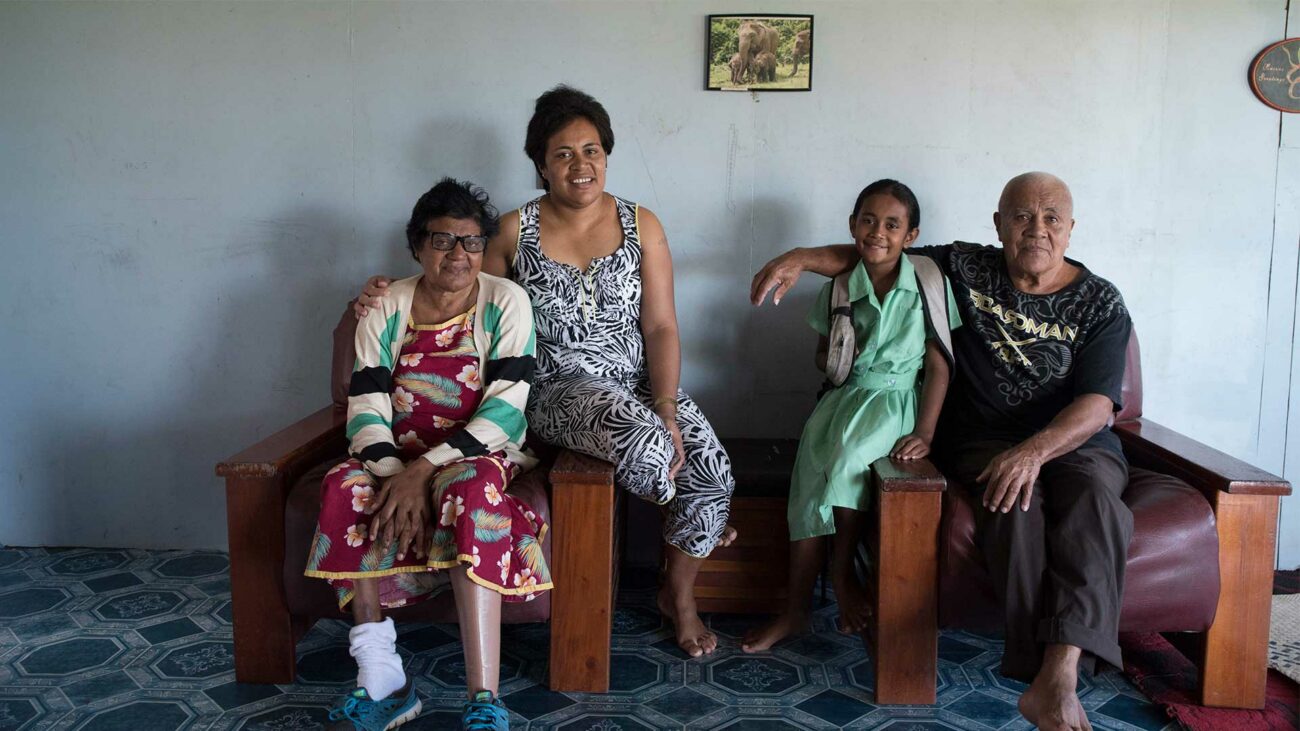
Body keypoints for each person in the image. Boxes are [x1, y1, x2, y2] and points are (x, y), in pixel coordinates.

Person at [353, 86, 736, 658]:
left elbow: (660, 328)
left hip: (636, 383)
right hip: (555, 389)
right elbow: (462, 290)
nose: (581, 165)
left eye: (592, 150)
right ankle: (687, 508)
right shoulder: (511, 230)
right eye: (563, 153)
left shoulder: (643, 224)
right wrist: (379, 294)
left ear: (607, 155)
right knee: (653, 453)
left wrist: (665, 405)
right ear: (540, 164)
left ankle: (677, 596)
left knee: (715, 473)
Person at [751, 172, 1132, 731]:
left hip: (1072, 440)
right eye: (1023, 216)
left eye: (1052, 218)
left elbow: (1099, 404)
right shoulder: (963, 266)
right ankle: (1040, 676)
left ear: (1071, 230)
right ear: (998, 224)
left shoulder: (1099, 301)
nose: (1037, 229)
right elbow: (877, 252)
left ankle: (1061, 671)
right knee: (1013, 504)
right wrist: (799, 257)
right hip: (983, 440)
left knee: (1097, 500)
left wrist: (1035, 451)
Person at [306, 178, 546, 731]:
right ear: (417, 245)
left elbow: (507, 412)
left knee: (470, 492)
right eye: (442, 240)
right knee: (345, 487)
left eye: (471, 242)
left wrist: (420, 472)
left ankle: (483, 696)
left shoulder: (506, 301)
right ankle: (382, 680)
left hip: (479, 449)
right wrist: (394, 473)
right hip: (393, 454)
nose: (458, 255)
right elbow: (365, 403)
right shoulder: (386, 305)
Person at [742, 179, 960, 653]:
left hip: (895, 403)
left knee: (846, 464)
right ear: (851, 225)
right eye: (867, 220)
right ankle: (795, 610)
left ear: (911, 234)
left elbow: (941, 363)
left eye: (892, 224)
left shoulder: (927, 282)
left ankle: (841, 576)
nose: (877, 232)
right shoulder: (840, 285)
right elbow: (824, 355)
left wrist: (925, 432)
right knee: (809, 479)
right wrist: (839, 354)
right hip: (843, 401)